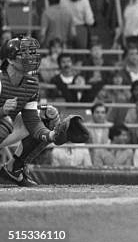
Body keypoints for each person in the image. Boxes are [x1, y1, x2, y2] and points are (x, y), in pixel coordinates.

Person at [0, 36, 88, 186]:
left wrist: (52, 135)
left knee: (47, 115)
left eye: (32, 53)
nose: (31, 57)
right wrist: (2, 111)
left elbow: (32, 121)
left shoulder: (31, 83)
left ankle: (13, 169)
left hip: (4, 129)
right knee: (7, 121)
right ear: (10, 60)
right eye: (24, 53)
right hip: (3, 124)